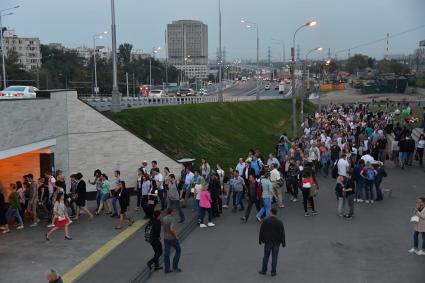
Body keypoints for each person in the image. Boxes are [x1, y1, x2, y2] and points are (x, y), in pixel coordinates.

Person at [258, 208, 286, 277]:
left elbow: (261, 231)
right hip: (276, 242)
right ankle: (273, 272)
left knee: (266, 256)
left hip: (268, 242)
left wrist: (260, 240)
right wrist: (283, 242)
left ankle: (264, 270)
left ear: (270, 213)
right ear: (276, 213)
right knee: (275, 257)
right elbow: (282, 233)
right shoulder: (279, 222)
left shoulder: (265, 221)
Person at [162, 208, 182, 273]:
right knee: (178, 250)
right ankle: (175, 266)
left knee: (166, 254)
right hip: (172, 238)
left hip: (165, 238)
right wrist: (176, 236)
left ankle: (167, 268)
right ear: (171, 212)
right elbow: (171, 229)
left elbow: (163, 226)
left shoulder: (164, 218)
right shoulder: (172, 219)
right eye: (173, 212)